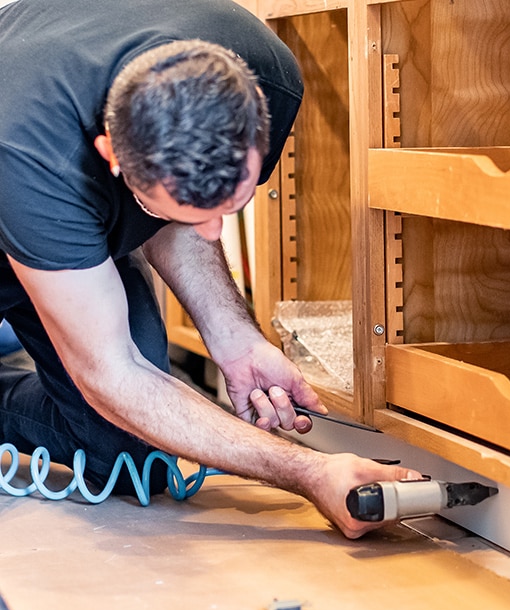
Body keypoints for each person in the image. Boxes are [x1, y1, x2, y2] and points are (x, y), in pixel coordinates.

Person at [0, 0, 419, 538]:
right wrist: (307, 471)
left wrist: (236, 338)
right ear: (111, 154)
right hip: (22, 179)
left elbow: (183, 217)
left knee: (129, 452)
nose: (215, 231)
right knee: (113, 393)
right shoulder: (32, 160)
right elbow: (112, 375)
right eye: (176, 208)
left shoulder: (266, 70)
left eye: (228, 208)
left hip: (60, 205)